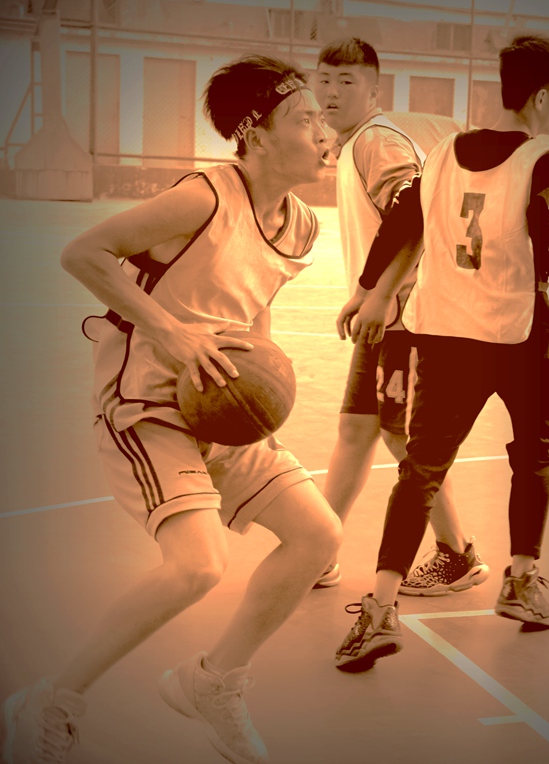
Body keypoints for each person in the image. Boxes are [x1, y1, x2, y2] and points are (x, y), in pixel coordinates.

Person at [2, 55, 342, 764]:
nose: (323, 131)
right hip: (147, 404)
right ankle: (51, 699)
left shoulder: (303, 226)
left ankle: (212, 682)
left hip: (220, 402)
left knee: (318, 535)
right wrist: (169, 331)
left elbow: (255, 304)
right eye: (305, 117)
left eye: (322, 117)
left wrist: (261, 375)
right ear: (253, 132)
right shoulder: (203, 199)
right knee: (197, 566)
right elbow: (83, 252)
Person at [334, 35, 549, 671]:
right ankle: (520, 581)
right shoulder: (544, 156)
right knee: (533, 455)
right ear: (542, 96)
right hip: (517, 335)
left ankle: (380, 609)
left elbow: (402, 221)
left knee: (421, 470)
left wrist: (367, 290)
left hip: (442, 334)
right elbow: (546, 230)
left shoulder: (441, 154)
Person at [313, 37, 488, 596]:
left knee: (400, 436)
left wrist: (379, 293)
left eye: (346, 81)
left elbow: (416, 217)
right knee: (357, 429)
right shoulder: (356, 142)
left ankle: (457, 553)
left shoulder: (376, 142)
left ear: (373, 89)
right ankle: (318, 548)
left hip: (405, 314)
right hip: (386, 314)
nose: (332, 91)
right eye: (324, 79)